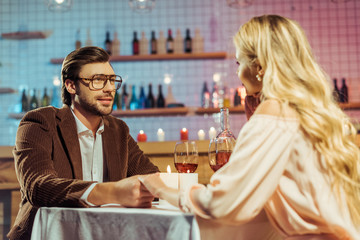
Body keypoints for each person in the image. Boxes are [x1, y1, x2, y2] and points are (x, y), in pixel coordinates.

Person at [140, 15, 360, 239]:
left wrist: (162, 189)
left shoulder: (275, 112)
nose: (237, 73)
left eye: (239, 63)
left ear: (259, 67)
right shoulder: (308, 111)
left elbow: (224, 203)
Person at [8, 46, 159, 240]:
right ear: (71, 86)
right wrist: (112, 191)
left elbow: (150, 177)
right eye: (97, 80)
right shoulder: (40, 122)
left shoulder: (118, 130)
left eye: (112, 80)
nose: (109, 88)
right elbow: (38, 187)